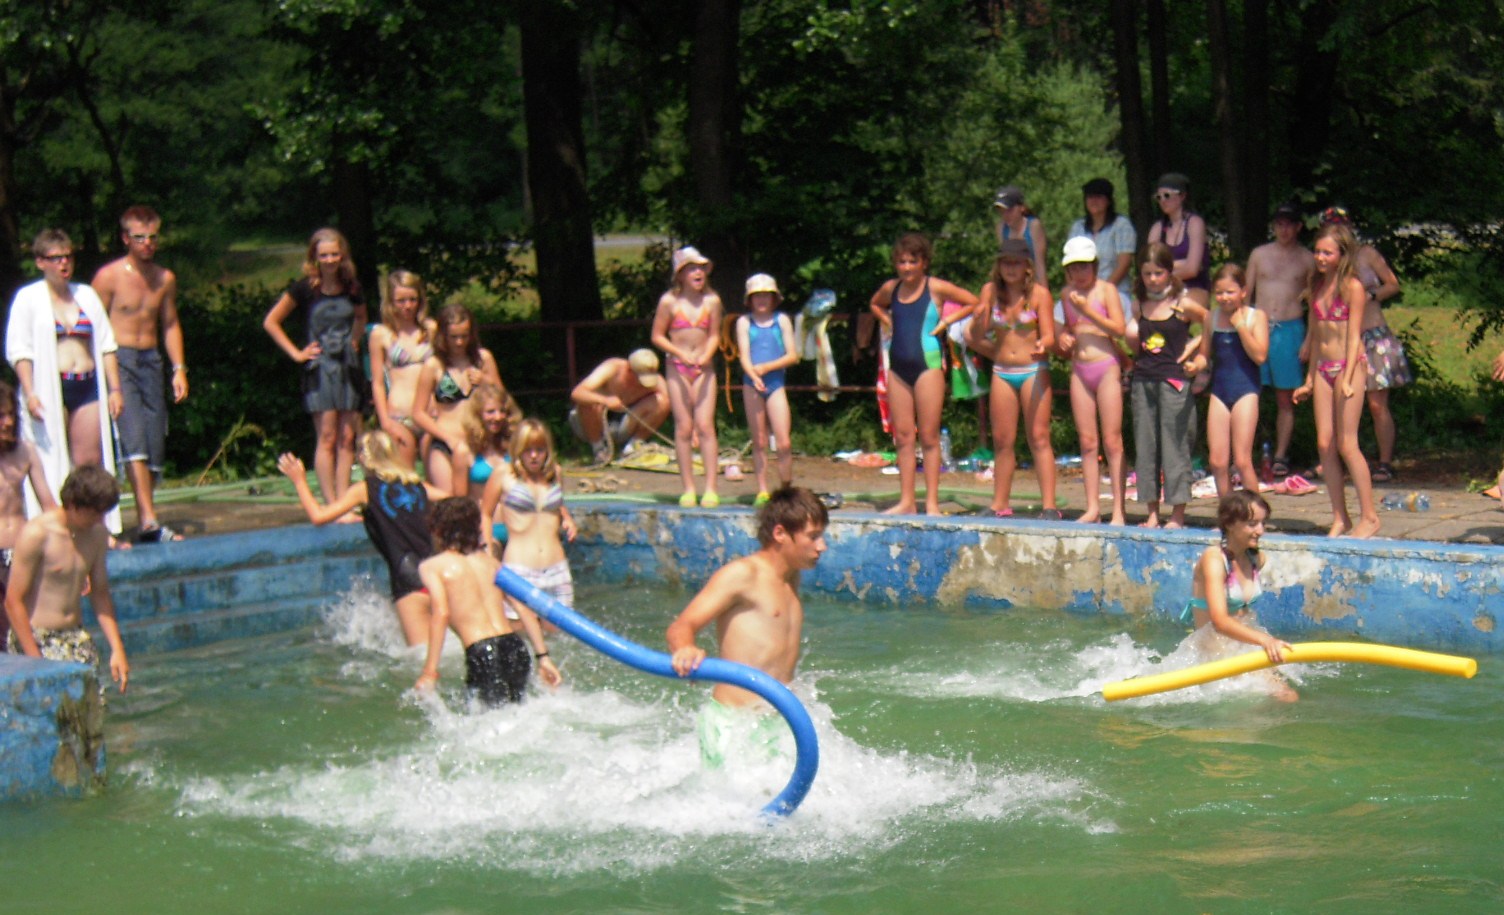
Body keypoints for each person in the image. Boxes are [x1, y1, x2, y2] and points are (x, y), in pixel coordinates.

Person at [666, 485, 828, 767]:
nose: (822, 546)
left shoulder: (791, 577)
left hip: (776, 722)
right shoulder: (743, 575)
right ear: (780, 533)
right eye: (813, 536)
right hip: (734, 724)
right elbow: (681, 625)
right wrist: (685, 648)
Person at [5, 229, 124, 536]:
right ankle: (58, 526)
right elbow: (20, 351)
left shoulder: (86, 295)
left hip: (86, 383)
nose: (63, 263)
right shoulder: (29, 298)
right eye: (56, 258)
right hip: (50, 386)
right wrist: (30, 392)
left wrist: (115, 389)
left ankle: (95, 529)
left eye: (68, 257)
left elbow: (107, 344)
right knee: (51, 458)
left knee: (89, 462)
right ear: (40, 262)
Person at [277, 431, 447, 646]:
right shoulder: (418, 485)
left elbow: (319, 517)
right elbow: (454, 499)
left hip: (409, 580)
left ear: (364, 458)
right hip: (438, 575)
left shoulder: (364, 489)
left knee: (422, 655)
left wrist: (299, 481)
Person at [91, 205, 188, 543]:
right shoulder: (109, 277)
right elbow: (92, 323)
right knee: (133, 437)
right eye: (139, 237)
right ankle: (148, 519)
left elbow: (170, 324)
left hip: (151, 359)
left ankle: (148, 516)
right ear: (125, 238)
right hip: (120, 359)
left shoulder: (164, 279)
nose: (147, 243)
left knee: (153, 437)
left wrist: (179, 369)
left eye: (152, 237)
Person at [868, 233, 979, 515]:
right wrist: (887, 320)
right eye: (902, 262)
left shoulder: (935, 287)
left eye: (912, 262)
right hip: (898, 368)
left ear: (924, 263)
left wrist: (947, 321)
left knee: (929, 436)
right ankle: (907, 501)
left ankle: (931, 503)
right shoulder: (891, 288)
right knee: (903, 437)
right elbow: (875, 304)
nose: (906, 268)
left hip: (928, 367)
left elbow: (973, 301)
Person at [414, 496, 561, 706]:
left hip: (481, 650)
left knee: (485, 717)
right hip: (515, 646)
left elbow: (442, 613)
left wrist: (430, 671)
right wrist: (543, 657)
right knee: (516, 712)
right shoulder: (491, 564)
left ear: (437, 530)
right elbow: (523, 609)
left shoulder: (432, 566)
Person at [263, 228, 367, 503]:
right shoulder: (304, 289)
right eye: (324, 255)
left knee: (347, 436)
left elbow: (360, 316)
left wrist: (355, 339)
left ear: (342, 256)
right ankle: (330, 502)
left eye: (334, 254)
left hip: (347, 367)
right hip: (320, 369)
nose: (330, 260)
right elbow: (271, 322)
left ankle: (344, 500)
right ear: (315, 257)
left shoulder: (352, 287)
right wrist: (297, 353)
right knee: (328, 435)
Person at [4, 466, 128, 697]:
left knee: (93, 707)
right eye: (94, 513)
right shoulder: (37, 534)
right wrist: (35, 660)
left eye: (103, 513)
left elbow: (100, 593)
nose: (100, 519)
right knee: (54, 710)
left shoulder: (98, 534)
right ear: (72, 504)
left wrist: (117, 648)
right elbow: (13, 601)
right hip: (36, 638)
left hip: (75, 636)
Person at [1293, 223, 1380, 539]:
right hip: (1323, 367)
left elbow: (1355, 335)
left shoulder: (1352, 287)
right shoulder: (1316, 286)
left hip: (1348, 365)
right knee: (1324, 443)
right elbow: (1317, 336)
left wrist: (1347, 377)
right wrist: (1309, 378)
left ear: (1342, 255)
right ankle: (1340, 516)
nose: (1320, 257)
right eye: (1317, 251)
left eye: (1327, 253)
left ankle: (1369, 516)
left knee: (1347, 443)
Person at [966, 239, 1058, 519]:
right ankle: (999, 502)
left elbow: (1050, 335)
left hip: (1033, 369)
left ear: (1027, 266)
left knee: (1039, 436)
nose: (1010, 268)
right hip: (1003, 371)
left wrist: (1044, 344)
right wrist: (979, 319)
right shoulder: (991, 292)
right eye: (1005, 262)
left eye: (1016, 262)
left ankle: (1049, 505)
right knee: (1003, 439)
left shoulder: (1040, 294)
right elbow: (976, 335)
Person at [1320, 206, 1411, 483]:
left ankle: (1385, 461)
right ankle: (1336, 458)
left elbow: (1392, 284)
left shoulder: (1366, 254)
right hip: (1340, 341)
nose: (1338, 229)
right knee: (1339, 404)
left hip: (1372, 334)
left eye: (1342, 225)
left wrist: (1370, 295)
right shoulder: (1326, 261)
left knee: (1376, 403)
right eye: (1331, 225)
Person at [1180, 490, 1296, 701]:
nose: (1260, 531)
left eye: (1263, 523)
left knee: (1286, 695)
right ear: (1230, 524)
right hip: (1214, 652)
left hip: (1243, 645)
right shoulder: (1214, 559)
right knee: (1285, 696)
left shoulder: (1256, 559)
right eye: (1252, 524)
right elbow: (1220, 622)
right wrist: (1266, 640)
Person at [1130, 242, 1210, 529]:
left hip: (1173, 381)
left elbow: (1209, 319)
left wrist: (1199, 353)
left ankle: (1177, 514)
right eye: (1147, 273)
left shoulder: (1182, 303)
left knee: (1176, 446)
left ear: (1169, 273)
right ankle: (1152, 513)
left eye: (1158, 273)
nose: (1153, 279)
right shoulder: (1138, 304)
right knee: (1146, 447)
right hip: (1143, 380)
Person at [1054, 236, 1128, 524]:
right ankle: (1092, 507)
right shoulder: (1066, 294)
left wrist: (1086, 311)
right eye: (1074, 268)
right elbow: (1069, 327)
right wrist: (1064, 335)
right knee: (1087, 441)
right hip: (1080, 368)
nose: (1080, 273)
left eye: (1084, 266)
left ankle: (1119, 508)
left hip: (1106, 366)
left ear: (1094, 266)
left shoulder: (1106, 290)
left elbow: (1119, 329)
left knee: (1112, 440)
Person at [479, 419, 577, 627]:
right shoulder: (504, 474)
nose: (534, 456)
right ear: (518, 449)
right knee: (521, 633)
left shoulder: (554, 473)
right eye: (528, 450)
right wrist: (487, 551)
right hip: (520, 568)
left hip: (556, 568)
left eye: (539, 450)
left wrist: (567, 519)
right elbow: (485, 513)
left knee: (561, 637)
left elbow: (556, 505)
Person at [1245, 203, 1315, 478]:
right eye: (1279, 224)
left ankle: (1280, 455)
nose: (1284, 230)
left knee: (1285, 398)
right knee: (1250, 392)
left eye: (1289, 225)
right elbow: (1246, 293)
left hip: (1290, 328)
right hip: (1259, 325)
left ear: (1298, 227)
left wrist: (1309, 339)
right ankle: (1246, 452)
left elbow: (1315, 303)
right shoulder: (1259, 255)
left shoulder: (1308, 259)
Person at [651, 246, 724, 507]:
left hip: (704, 367)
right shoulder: (669, 302)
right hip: (677, 367)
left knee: (705, 426)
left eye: (701, 268)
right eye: (692, 268)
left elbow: (714, 334)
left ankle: (711, 488)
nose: (698, 273)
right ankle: (689, 488)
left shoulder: (712, 301)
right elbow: (657, 336)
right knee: (683, 427)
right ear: (680, 274)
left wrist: (707, 354)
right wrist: (678, 352)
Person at [410, 303, 505, 496]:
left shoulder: (483, 359)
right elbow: (418, 413)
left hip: (480, 443)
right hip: (446, 442)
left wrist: (485, 381)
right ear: (443, 335)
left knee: (480, 499)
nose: (459, 342)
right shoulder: (433, 365)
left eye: (464, 336)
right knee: (449, 500)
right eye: (453, 337)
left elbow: (503, 399)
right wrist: (448, 438)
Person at [0, 382, 58, 649]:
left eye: (11, 414)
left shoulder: (26, 451)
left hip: (22, 551)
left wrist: (72, 550)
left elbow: (49, 506)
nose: (8, 422)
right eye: (1, 416)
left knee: (32, 630)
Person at [1204, 264, 1269, 498]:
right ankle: (1228, 512)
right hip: (1220, 391)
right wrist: (1194, 366)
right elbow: (1204, 355)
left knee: (1242, 460)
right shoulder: (1211, 317)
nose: (1224, 298)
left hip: (1246, 390)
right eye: (1219, 292)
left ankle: (1255, 510)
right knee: (1218, 462)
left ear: (1243, 291)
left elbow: (1260, 356)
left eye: (1230, 292)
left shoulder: (1255, 317)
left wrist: (1240, 325)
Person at [735, 274, 800, 502]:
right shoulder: (744, 322)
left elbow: (792, 355)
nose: (761, 300)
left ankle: (785, 487)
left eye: (766, 295)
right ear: (750, 299)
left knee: (784, 442)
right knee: (759, 440)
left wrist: (766, 368)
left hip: (775, 383)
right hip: (752, 384)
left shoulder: (782, 320)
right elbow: (743, 356)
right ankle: (762, 489)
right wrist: (754, 374)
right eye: (757, 296)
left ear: (773, 298)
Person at [366, 269, 435, 470]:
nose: (408, 306)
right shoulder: (381, 334)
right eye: (401, 301)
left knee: (438, 478)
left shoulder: (431, 329)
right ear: (391, 301)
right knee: (404, 477)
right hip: (399, 414)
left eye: (413, 300)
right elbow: (378, 382)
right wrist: (384, 420)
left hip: (431, 414)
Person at [568, 348, 669, 462]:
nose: (642, 383)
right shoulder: (612, 368)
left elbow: (667, 403)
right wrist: (605, 400)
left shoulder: (656, 381)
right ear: (629, 369)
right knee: (587, 401)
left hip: (626, 422)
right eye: (639, 377)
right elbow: (577, 392)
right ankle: (599, 449)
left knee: (663, 401)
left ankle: (632, 447)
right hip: (594, 422)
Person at [1067, 177, 1137, 305]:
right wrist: (1075, 290)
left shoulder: (1121, 225)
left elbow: (1124, 264)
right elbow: (1068, 264)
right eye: (1090, 197)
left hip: (1115, 292)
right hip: (1081, 292)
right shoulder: (1078, 227)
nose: (1094, 201)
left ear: (1108, 200)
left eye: (1098, 197)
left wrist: (1103, 291)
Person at [1145, 173, 1211, 307]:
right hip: (1162, 290)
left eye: (1167, 195)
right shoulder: (1157, 228)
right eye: (1158, 197)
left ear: (1182, 196)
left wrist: (1163, 270)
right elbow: (1149, 265)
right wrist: (1181, 264)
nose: (1162, 200)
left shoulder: (1194, 223)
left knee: (1179, 309)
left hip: (1194, 287)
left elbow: (1192, 269)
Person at [993, 186, 1050, 283]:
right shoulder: (1001, 228)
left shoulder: (1033, 226)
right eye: (1002, 211)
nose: (1005, 215)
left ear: (1022, 208)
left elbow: (1040, 264)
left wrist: (1044, 289)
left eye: (1009, 210)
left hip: (1032, 282)